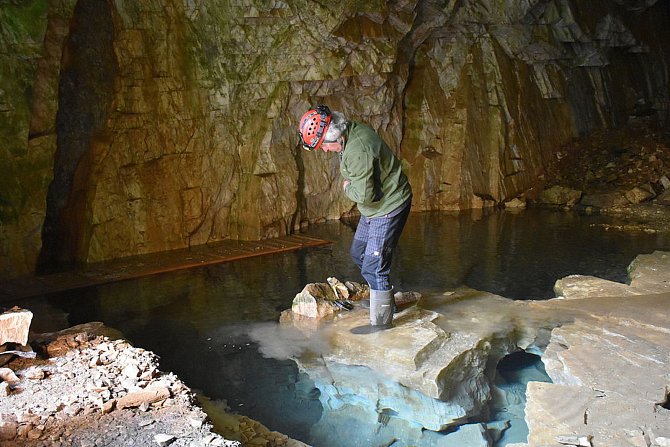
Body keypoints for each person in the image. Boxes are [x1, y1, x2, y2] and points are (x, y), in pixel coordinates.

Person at [298, 105, 412, 332]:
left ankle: (381, 325)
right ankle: (386, 300)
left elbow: (365, 195)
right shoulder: (349, 132)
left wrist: (348, 189)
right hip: (376, 208)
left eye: (324, 146)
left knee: (374, 266)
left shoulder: (357, 150)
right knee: (358, 252)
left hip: (387, 207)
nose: (326, 151)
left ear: (335, 135)